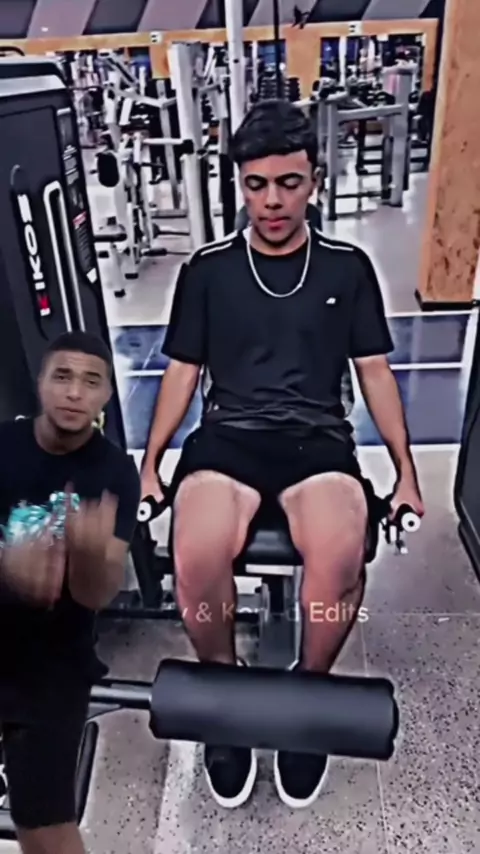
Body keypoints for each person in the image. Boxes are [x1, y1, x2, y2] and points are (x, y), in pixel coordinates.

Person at [141, 100, 424, 810]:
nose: (272, 200)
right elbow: (182, 373)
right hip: (229, 437)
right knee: (195, 550)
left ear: (315, 182)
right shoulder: (207, 270)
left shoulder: (347, 268)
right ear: (241, 185)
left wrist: (407, 474)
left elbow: (374, 373)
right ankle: (226, 699)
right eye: (257, 184)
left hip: (316, 441)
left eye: (289, 183)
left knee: (339, 551)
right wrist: (151, 465)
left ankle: (308, 697)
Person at [0, 331, 140, 854]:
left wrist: (87, 558)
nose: (75, 392)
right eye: (62, 376)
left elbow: (97, 594)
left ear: (106, 396)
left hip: (53, 666)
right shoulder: (4, 446)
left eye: (90, 381)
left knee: (45, 829)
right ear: (40, 383)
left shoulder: (115, 474)